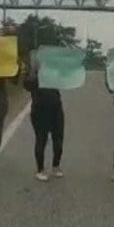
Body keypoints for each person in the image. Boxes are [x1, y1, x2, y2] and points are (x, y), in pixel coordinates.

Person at [23, 54, 65, 182]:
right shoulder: (32, 77)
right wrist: (33, 71)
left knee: (58, 138)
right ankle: (40, 169)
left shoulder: (53, 74)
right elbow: (27, 85)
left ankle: (56, 166)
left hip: (56, 108)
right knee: (41, 139)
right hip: (40, 111)